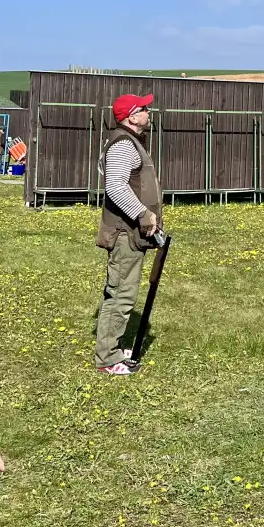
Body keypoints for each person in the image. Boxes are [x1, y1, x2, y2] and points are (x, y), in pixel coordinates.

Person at [93, 93, 163, 376]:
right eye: (144, 108)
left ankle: (111, 346)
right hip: (125, 233)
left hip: (130, 232)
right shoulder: (123, 145)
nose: (148, 112)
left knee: (123, 292)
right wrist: (143, 214)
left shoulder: (130, 141)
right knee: (120, 294)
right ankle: (108, 359)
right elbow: (116, 187)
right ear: (132, 117)